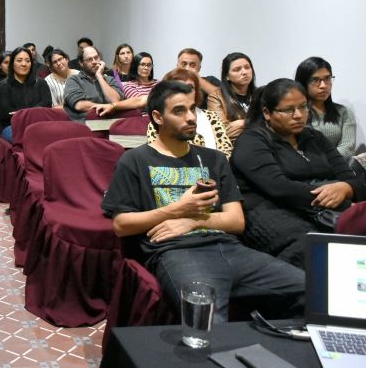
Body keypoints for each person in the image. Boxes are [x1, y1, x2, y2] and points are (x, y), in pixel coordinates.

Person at [103, 81, 305, 322]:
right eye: (179, 111)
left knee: (311, 291)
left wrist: (192, 221)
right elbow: (121, 225)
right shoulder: (134, 160)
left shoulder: (214, 159)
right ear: (157, 117)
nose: (191, 117)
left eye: (192, 109)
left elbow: (236, 220)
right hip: (177, 254)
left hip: (231, 249)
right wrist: (178, 208)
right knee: (206, 321)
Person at [231, 78, 366, 267]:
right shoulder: (252, 141)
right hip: (273, 211)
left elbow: (354, 181)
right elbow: (279, 188)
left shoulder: (315, 137)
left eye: (303, 107)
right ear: (267, 113)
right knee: (311, 247)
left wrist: (345, 188)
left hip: (322, 208)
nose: (298, 115)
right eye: (288, 110)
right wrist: (338, 199)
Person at [146, 68, 234, 158]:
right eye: (178, 87)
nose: (184, 91)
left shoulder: (211, 116)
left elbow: (226, 151)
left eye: (190, 87)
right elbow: (157, 156)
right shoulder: (159, 122)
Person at [294, 56, 356, 160]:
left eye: (327, 78)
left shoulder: (343, 112)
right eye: (315, 80)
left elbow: (348, 148)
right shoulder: (296, 113)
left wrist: (322, 161)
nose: (323, 85)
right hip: (304, 170)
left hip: (338, 169)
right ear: (303, 83)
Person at [0, 47, 52, 142]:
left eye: (27, 60)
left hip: (38, 124)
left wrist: (21, 113)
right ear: (12, 63)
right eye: (19, 60)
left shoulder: (41, 83)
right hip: (12, 126)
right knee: (32, 139)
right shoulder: (3, 86)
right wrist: (34, 111)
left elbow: (47, 105)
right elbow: (6, 114)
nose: (24, 64)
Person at [63, 45, 123, 122]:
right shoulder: (74, 80)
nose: (94, 61)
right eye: (89, 59)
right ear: (81, 63)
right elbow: (80, 105)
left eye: (96, 57)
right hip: (84, 123)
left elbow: (115, 101)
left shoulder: (109, 79)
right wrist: (107, 107)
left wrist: (99, 76)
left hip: (109, 123)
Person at [207, 52, 257, 144]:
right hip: (235, 147)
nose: (244, 72)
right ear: (227, 76)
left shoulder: (260, 94)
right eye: (237, 69)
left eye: (247, 67)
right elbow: (221, 132)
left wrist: (240, 123)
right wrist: (253, 123)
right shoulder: (216, 97)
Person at [92, 52, 158, 117]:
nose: (146, 68)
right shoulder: (129, 86)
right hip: (145, 120)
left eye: (149, 65)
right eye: (142, 64)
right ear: (135, 66)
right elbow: (140, 102)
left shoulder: (159, 83)